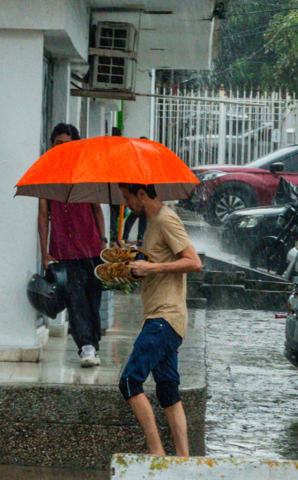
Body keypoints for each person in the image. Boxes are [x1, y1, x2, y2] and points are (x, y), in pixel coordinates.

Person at [116, 183, 203, 455]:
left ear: (142, 194)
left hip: (164, 318)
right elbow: (156, 261)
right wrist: (133, 256)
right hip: (163, 317)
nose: (126, 204)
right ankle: (183, 460)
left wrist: (152, 266)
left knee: (130, 381)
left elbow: (194, 262)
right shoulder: (152, 222)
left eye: (128, 197)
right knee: (168, 392)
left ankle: (157, 453)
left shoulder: (166, 219)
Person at [38, 123, 107, 367]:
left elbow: (97, 209)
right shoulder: (46, 173)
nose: (62, 148)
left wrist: (104, 243)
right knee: (75, 300)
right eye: (57, 144)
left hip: (91, 248)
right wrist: (44, 252)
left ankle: (93, 344)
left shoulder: (87, 172)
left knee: (92, 301)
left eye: (67, 143)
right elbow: (43, 213)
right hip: (64, 251)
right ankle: (86, 346)